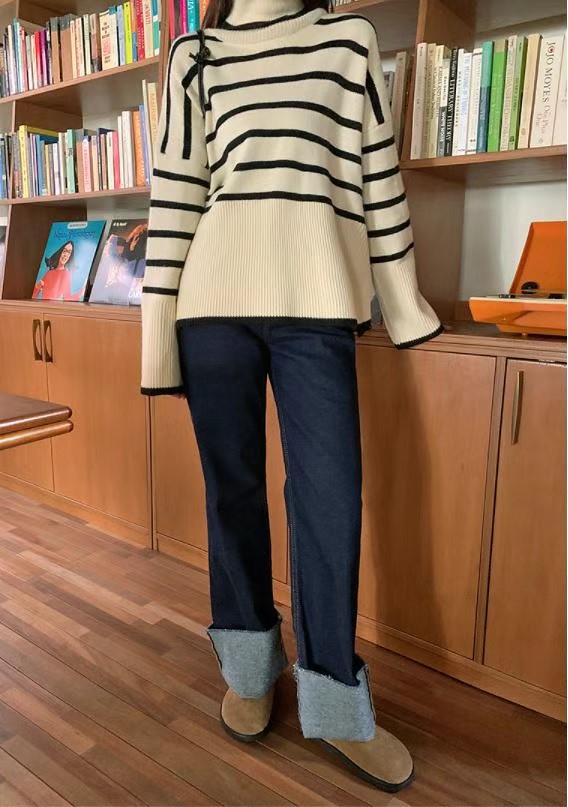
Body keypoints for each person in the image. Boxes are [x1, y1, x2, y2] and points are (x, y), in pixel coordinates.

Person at [140, 0, 444, 792]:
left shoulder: (348, 41)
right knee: (231, 493)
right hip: (212, 306)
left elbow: (377, 177)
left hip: (318, 302)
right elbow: (176, 196)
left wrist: (403, 303)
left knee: (330, 500)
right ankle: (249, 668)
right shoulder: (194, 56)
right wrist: (157, 339)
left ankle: (336, 703)